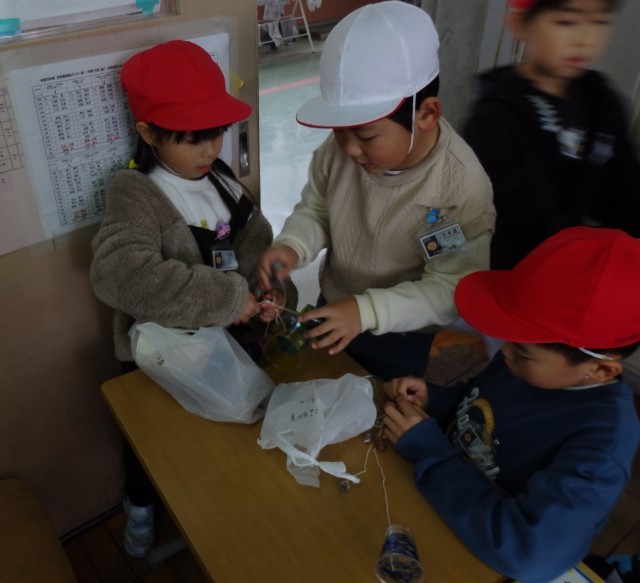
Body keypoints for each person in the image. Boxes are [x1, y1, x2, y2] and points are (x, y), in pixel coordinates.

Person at [90, 40, 296, 558]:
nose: (210, 150)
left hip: (229, 345)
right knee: (156, 449)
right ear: (148, 133)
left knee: (224, 440)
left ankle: (221, 520)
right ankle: (140, 510)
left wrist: (270, 289)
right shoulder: (135, 192)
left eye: (216, 133)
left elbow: (257, 247)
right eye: (192, 139)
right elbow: (118, 275)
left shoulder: (222, 180)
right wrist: (228, 298)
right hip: (163, 356)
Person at [382, 226, 640, 583]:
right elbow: (476, 402)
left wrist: (431, 451)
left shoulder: (603, 443)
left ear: (600, 370)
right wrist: (435, 400)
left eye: (522, 351)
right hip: (431, 497)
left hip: (472, 556)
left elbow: (531, 554)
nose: (504, 353)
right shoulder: (525, 365)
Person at [257, 1, 496, 380]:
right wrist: (293, 246)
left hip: (400, 333)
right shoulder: (339, 152)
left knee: (379, 401)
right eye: (339, 131)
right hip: (336, 300)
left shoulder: (458, 189)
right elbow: (318, 209)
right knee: (324, 383)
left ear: (427, 114)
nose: (350, 149)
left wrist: (366, 312)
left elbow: (447, 288)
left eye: (366, 136)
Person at [463, 0, 640, 270]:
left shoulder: (602, 103)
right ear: (520, 24)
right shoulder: (494, 118)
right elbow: (512, 217)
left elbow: (625, 192)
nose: (585, 39)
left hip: (582, 266)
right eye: (566, 22)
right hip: (513, 274)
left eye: (599, 21)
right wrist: (590, 252)